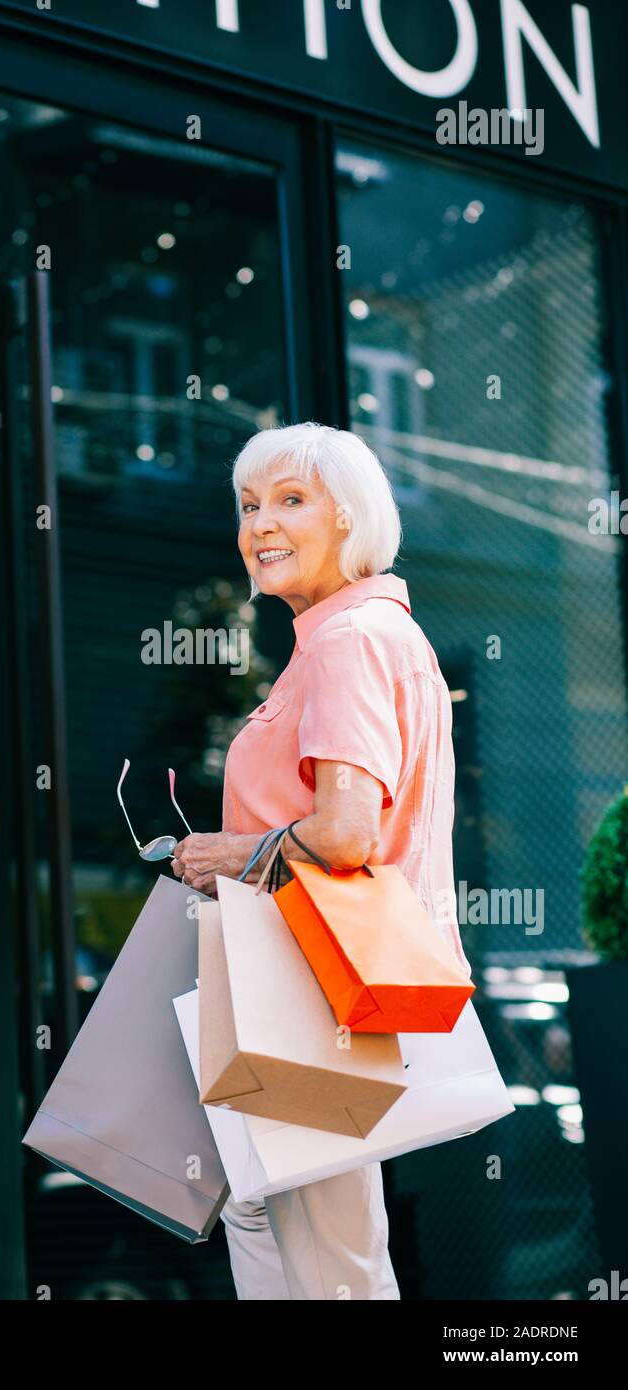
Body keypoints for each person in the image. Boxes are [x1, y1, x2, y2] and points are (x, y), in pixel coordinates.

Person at [171, 420, 472, 1300]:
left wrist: (229, 853)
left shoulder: (349, 641)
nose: (261, 524)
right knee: (270, 1219)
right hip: (307, 984)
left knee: (331, 1262)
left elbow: (346, 832)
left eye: (291, 501)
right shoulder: (351, 638)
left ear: (350, 517)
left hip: (311, 987)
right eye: (250, 504)